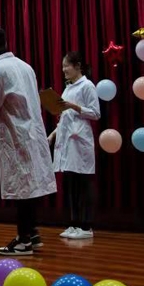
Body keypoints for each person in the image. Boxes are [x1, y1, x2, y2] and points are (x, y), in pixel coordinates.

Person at [0, 26, 57, 256]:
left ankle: (23, 240)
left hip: (16, 133)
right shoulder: (25, 66)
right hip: (33, 130)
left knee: (23, 187)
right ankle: (32, 232)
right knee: (30, 185)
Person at [48, 51, 100, 240]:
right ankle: (73, 224)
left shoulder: (87, 86)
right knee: (70, 184)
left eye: (66, 66)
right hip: (67, 141)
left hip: (79, 141)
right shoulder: (68, 88)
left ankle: (86, 226)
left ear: (77, 66)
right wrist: (52, 135)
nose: (63, 70)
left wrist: (74, 106)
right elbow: (64, 117)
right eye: (62, 66)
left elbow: (95, 113)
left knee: (82, 184)